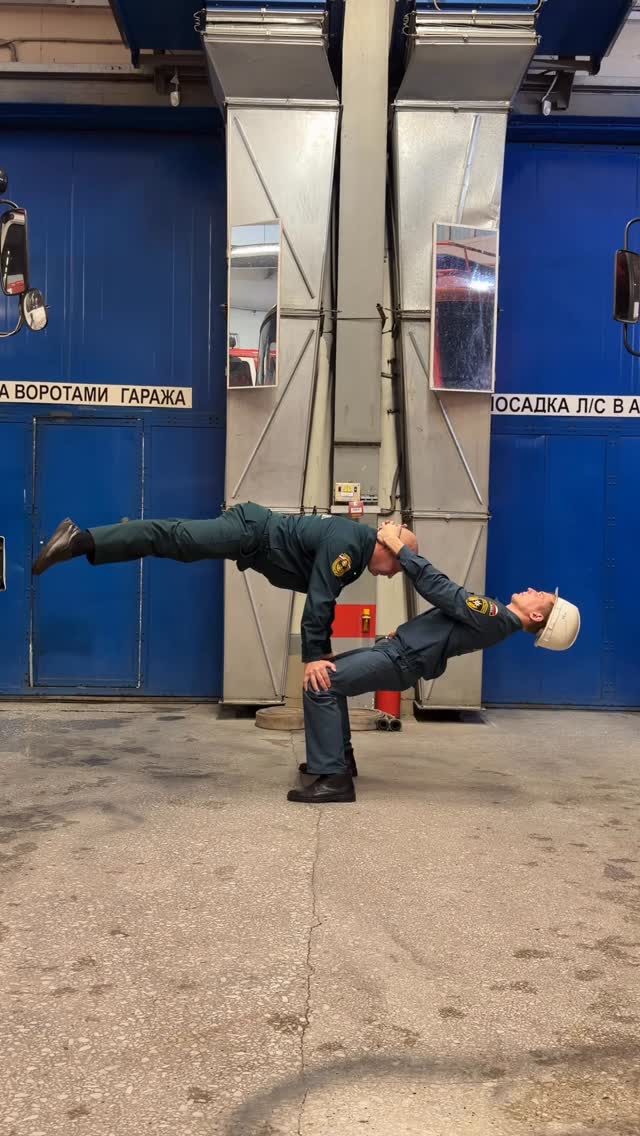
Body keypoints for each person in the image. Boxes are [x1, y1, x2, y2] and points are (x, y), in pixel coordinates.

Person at [288, 522, 581, 804]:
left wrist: (397, 546)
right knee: (328, 677)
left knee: (321, 683)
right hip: (399, 652)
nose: (532, 589)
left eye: (539, 596)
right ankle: (338, 760)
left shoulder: (496, 616)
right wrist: (407, 632)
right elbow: (446, 618)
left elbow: (441, 590)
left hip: (401, 658)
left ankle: (335, 779)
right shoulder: (497, 618)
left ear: (537, 616)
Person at [32, 505, 418, 691]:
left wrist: (323, 652)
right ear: (387, 547)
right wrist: (314, 655)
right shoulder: (350, 546)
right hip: (250, 533)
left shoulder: (355, 552)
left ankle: (93, 540)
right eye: (396, 566)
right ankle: (78, 540)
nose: (390, 575)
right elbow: (320, 601)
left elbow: (324, 598)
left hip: (252, 541)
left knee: (174, 542)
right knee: (173, 538)